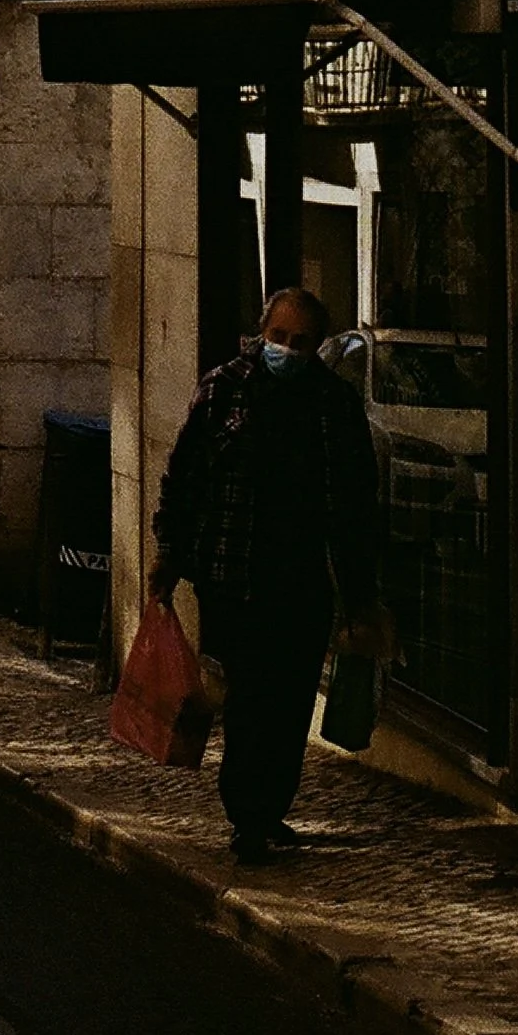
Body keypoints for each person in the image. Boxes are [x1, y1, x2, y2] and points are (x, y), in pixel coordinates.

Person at [150, 284, 381, 865]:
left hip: (302, 581)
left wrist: (359, 593)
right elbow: (186, 476)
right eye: (279, 337)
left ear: (318, 346)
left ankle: (270, 805)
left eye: (301, 342)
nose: (287, 349)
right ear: (262, 333)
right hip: (234, 575)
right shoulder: (224, 388)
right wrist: (169, 557)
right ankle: (246, 813)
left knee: (292, 699)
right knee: (251, 697)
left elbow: (354, 504)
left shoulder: (333, 406)